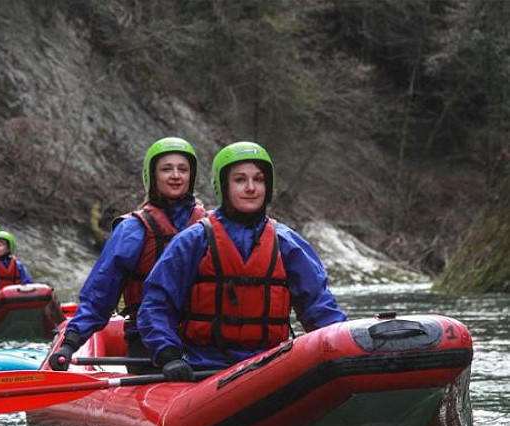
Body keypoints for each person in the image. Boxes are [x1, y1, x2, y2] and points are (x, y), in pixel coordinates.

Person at [137, 141, 348, 381]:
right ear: (223, 186)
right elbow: (157, 304)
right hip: (203, 368)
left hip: (270, 366)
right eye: (240, 180)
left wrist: (344, 346)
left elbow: (320, 309)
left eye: (258, 180)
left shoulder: (287, 242)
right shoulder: (193, 241)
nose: (251, 188)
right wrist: (168, 354)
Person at [49, 137, 207, 373]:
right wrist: (70, 342)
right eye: (166, 169)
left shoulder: (208, 226)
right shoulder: (133, 230)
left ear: (191, 176)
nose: (176, 175)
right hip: (149, 346)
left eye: (183, 169)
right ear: (152, 176)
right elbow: (100, 293)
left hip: (203, 346)